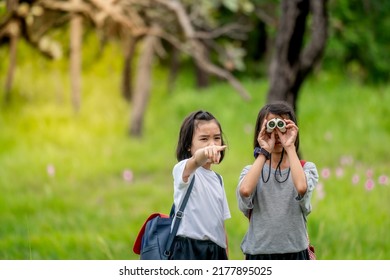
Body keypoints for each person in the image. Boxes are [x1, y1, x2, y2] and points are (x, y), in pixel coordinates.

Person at [236, 101, 318, 260]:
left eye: (283, 125)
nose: (277, 133)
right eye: (270, 126)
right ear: (260, 131)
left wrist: (290, 146)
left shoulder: (306, 169)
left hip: (295, 251)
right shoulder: (251, 172)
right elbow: (245, 190)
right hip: (259, 253)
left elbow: (301, 187)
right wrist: (264, 151)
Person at [170, 110, 231, 260]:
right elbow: (196, 160)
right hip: (189, 249)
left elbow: (220, 224)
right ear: (188, 146)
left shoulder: (218, 179)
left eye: (217, 138)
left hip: (216, 250)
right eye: (204, 139)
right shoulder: (184, 170)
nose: (212, 144)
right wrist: (204, 153)